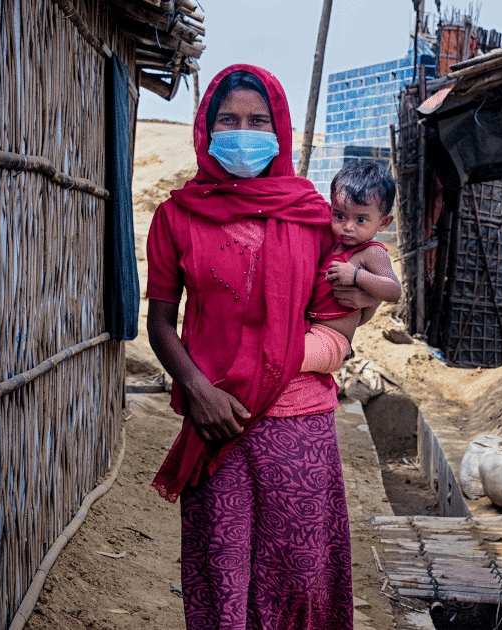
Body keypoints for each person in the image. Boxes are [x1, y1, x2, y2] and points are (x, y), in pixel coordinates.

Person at [145, 64, 375, 630]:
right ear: (205, 127)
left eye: (256, 120)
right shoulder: (176, 217)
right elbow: (159, 322)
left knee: (298, 578)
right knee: (222, 578)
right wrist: (198, 392)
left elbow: (341, 325)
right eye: (228, 120)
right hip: (216, 421)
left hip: (298, 425)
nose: (242, 132)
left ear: (280, 130)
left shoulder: (316, 219)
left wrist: (286, 357)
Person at [300, 162, 401, 372]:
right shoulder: (333, 244)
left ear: (384, 222)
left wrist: (357, 276)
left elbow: (394, 290)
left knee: (287, 358)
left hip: (332, 340)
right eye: (339, 216)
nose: (347, 226)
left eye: (361, 219)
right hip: (310, 329)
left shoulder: (371, 253)